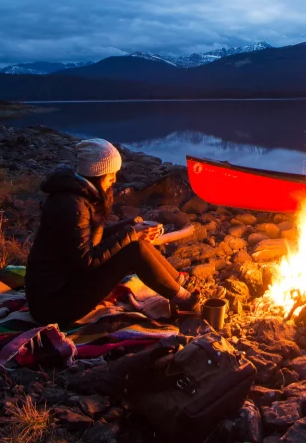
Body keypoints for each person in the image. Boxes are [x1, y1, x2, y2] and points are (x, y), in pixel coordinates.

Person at [25, 138, 199, 326]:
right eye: (111, 175)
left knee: (136, 242)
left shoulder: (79, 197)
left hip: (66, 284)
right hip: (54, 305)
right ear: (97, 173)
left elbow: (91, 240)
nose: (114, 180)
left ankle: (175, 281)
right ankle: (184, 301)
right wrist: (131, 232)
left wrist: (132, 226)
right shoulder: (72, 205)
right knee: (133, 251)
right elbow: (87, 259)